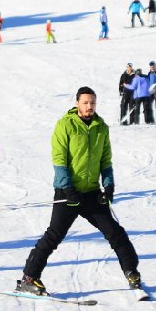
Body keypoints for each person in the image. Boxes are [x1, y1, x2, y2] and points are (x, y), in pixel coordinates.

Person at [14, 86, 141, 296]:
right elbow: (59, 160)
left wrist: (108, 185)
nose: (89, 106)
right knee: (54, 235)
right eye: (85, 102)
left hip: (91, 193)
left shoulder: (101, 127)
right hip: (68, 193)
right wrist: (67, 187)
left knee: (115, 233)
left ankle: (132, 273)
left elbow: (105, 161)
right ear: (77, 104)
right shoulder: (65, 125)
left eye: (92, 103)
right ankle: (29, 278)